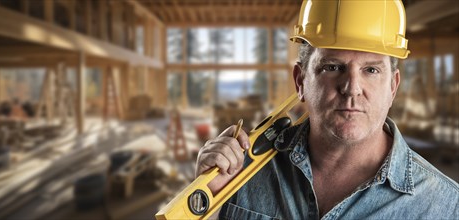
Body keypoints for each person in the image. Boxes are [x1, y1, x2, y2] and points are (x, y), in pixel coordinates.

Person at [195, 0, 459, 219]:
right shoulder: (241, 174)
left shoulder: (446, 207)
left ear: (393, 86)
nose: (352, 87)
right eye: (332, 67)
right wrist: (204, 203)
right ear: (300, 81)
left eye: (371, 70)